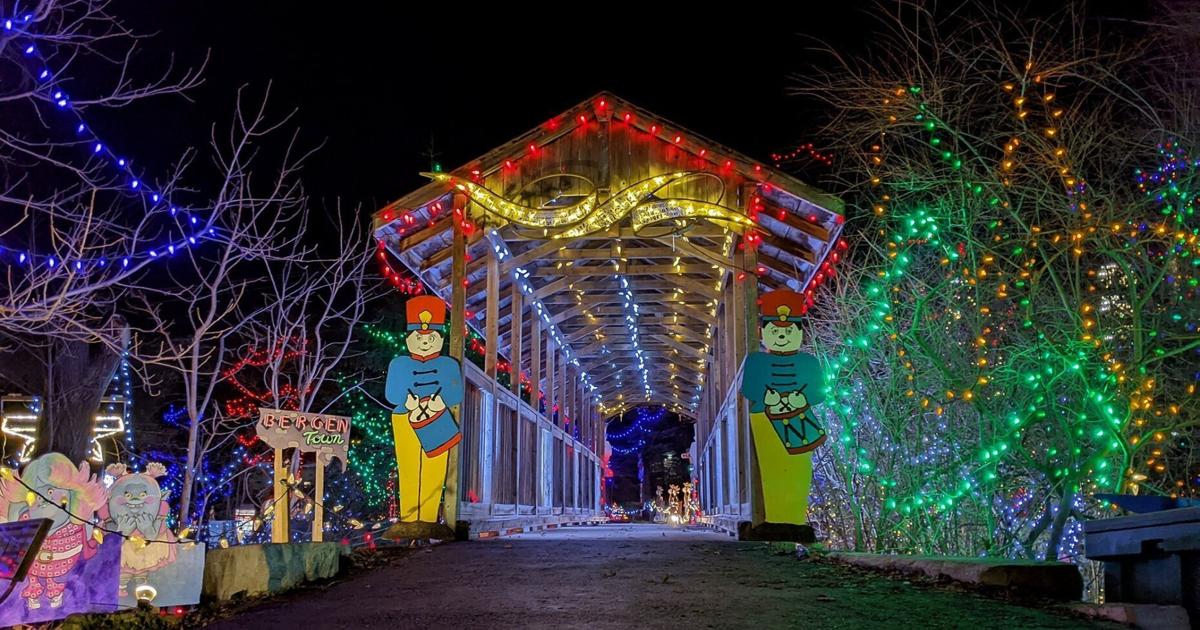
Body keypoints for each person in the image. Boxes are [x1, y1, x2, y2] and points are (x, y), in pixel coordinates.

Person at [740, 289, 827, 526]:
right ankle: (776, 518)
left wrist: (804, 398)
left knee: (799, 468)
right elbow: (748, 388)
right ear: (764, 332)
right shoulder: (756, 361)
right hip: (764, 417)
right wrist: (767, 397)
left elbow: (819, 391)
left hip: (801, 418)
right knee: (772, 468)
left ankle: (795, 519)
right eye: (775, 331)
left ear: (799, 333)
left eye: (788, 331)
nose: (781, 336)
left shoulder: (809, 362)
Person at [385, 296, 464, 523]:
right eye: (419, 337)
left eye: (431, 337)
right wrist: (409, 402)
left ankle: (428, 519)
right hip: (404, 418)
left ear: (439, 338)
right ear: (410, 338)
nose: (425, 341)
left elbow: (455, 392)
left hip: (438, 418)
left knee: (434, 469)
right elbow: (392, 393)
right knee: (408, 466)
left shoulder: (448, 365)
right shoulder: (398, 364)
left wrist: (439, 402)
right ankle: (409, 519)